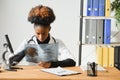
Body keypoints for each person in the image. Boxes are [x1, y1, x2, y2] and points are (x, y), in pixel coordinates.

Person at [9, 5, 76, 68]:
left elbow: (72, 62)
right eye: (38, 33)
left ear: (49, 29)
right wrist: (25, 51)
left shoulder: (57, 42)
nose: (41, 37)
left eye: (43, 33)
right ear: (34, 29)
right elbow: (10, 62)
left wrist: (51, 64)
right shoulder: (27, 42)